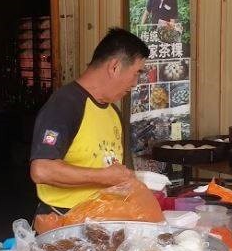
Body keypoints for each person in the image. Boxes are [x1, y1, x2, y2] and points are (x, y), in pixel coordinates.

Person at [30, 27, 148, 217]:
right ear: (115, 67)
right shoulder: (65, 105)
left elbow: (117, 174)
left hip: (104, 222)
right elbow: (42, 169)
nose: (136, 83)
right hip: (64, 224)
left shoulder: (112, 112)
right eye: (136, 72)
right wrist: (104, 177)